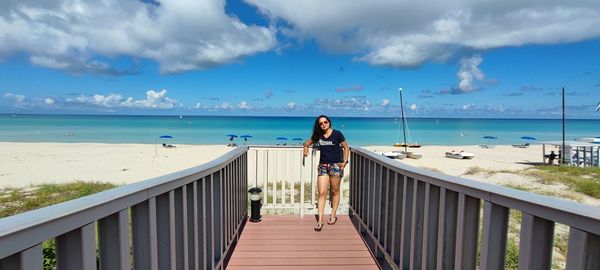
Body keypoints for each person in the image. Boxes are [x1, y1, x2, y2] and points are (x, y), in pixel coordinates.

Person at [303, 115, 349, 231]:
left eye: (325, 122)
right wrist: (305, 147)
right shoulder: (318, 135)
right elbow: (308, 142)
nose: (323, 124)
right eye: (321, 123)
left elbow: (346, 147)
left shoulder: (337, 134)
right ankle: (320, 221)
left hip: (336, 165)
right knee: (322, 192)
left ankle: (333, 215)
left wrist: (344, 162)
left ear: (329, 122)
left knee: (334, 191)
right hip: (323, 166)